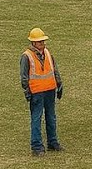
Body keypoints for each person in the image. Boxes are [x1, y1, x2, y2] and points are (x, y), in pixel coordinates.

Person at [20, 27, 64, 156]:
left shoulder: (48, 53)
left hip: (50, 90)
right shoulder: (26, 56)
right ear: (33, 43)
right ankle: (37, 146)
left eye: (43, 41)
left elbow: (54, 69)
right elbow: (24, 77)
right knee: (36, 118)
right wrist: (27, 92)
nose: (42, 44)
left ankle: (52, 142)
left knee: (51, 117)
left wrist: (59, 83)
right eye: (40, 42)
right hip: (36, 92)